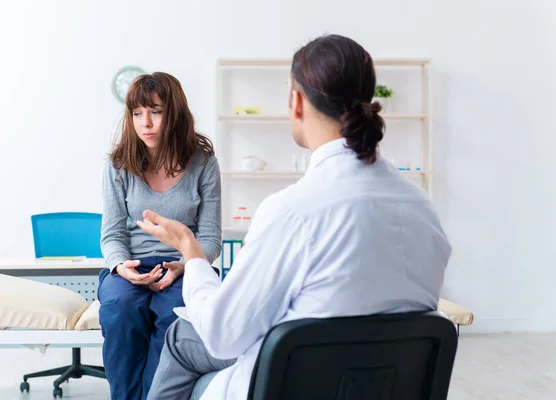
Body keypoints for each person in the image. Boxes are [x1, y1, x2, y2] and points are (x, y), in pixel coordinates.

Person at [139, 34, 452, 400]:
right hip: (381, 386)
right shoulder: (421, 208)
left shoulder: (293, 211)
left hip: (295, 385)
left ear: (297, 102)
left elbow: (223, 335)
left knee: (182, 336)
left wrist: (191, 254)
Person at [98, 72, 222, 400]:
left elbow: (210, 238)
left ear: (175, 113)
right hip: (132, 265)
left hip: (183, 264)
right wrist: (120, 265)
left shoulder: (203, 163)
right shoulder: (118, 164)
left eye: (156, 111)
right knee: (121, 308)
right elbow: (111, 233)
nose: (146, 123)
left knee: (175, 315)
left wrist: (185, 264)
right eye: (137, 113)